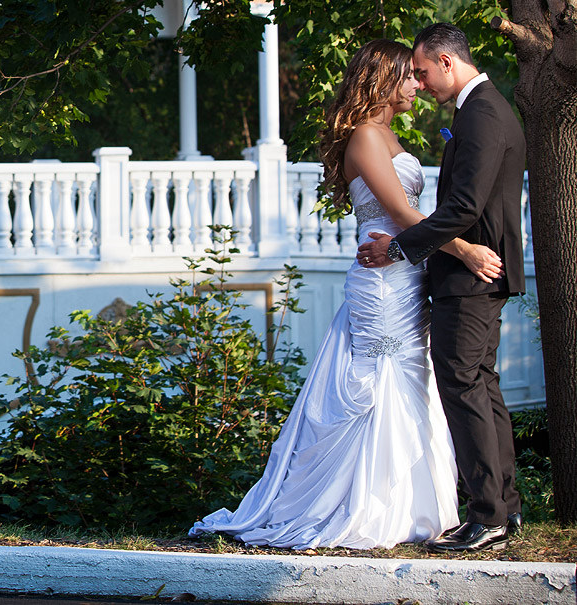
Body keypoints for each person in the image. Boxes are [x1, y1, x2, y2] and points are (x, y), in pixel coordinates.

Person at [190, 39, 502, 549]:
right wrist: (466, 250)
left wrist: (415, 250)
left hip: (405, 274)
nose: (417, 86)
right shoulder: (364, 136)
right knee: (380, 382)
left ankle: (417, 506)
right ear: (382, 79)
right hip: (381, 283)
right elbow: (402, 216)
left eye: (419, 76)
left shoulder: (389, 134)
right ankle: (368, 507)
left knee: (414, 379)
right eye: (408, 77)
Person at [357, 23, 526, 552]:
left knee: (463, 385)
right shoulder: (484, 109)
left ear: (447, 63)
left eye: (425, 71)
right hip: (476, 273)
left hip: (471, 275)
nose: (422, 83)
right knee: (481, 383)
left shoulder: (481, 114)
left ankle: (487, 515)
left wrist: (401, 248)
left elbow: (462, 209)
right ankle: (504, 508)